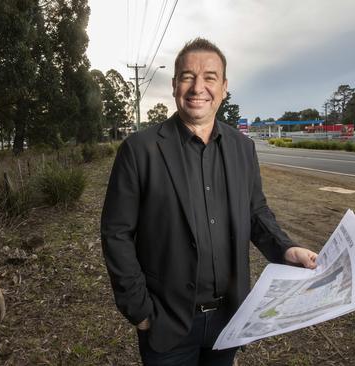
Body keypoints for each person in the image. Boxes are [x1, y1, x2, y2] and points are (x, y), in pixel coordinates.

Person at [101, 38, 318, 366]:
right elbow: (116, 234)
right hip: (166, 321)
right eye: (187, 76)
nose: (197, 87)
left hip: (229, 319)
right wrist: (140, 311)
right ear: (175, 85)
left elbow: (255, 212)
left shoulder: (242, 148)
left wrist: (285, 249)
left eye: (210, 77)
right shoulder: (139, 150)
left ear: (224, 87)